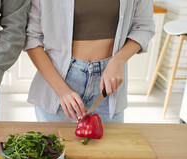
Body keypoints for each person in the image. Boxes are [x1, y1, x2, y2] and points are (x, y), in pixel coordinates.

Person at [25, 0, 155, 123]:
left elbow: (144, 27)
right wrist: (62, 90)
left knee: (109, 146)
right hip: (58, 85)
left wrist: (118, 61)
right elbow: (32, 37)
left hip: (108, 87)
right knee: (58, 146)